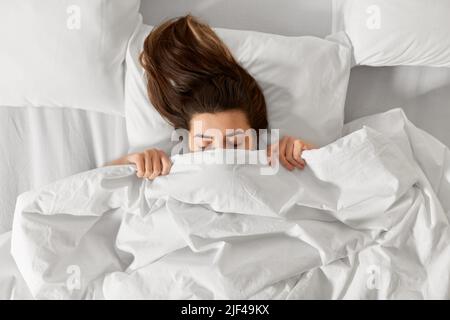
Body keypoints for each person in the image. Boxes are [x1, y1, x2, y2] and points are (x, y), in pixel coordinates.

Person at [110, 15, 315, 179]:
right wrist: (128, 165)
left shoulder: (274, 163)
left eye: (235, 144)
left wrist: (310, 156)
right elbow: (88, 191)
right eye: (204, 145)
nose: (220, 157)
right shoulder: (171, 166)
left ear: (255, 138)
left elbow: (339, 182)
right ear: (188, 141)